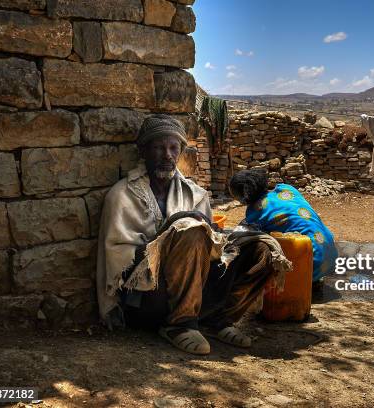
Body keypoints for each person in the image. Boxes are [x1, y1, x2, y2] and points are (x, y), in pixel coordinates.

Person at [96, 115, 279, 355]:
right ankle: (179, 325)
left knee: (263, 248)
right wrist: (173, 231)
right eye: (159, 148)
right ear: (143, 151)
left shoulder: (195, 194)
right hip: (147, 299)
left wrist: (227, 240)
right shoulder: (121, 196)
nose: (168, 155)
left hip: (196, 289)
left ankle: (217, 320)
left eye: (174, 148)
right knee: (190, 230)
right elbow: (119, 263)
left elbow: (211, 251)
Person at [229, 170, 338, 285]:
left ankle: (304, 280)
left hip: (312, 265)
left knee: (258, 248)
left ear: (244, 196)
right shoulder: (287, 189)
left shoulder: (255, 211)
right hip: (330, 256)